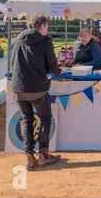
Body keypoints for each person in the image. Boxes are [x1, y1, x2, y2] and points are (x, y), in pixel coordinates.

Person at [10, 14, 62, 171]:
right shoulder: (45, 41)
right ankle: (43, 155)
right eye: (47, 26)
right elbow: (52, 65)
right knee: (45, 118)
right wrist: (59, 71)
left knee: (27, 120)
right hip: (37, 88)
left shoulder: (17, 39)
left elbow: (12, 60)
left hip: (18, 88)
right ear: (41, 27)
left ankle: (29, 156)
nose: (48, 29)